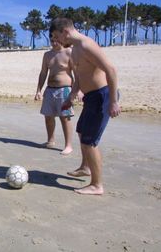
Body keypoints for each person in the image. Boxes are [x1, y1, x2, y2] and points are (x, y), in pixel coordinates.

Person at [51, 18, 121, 195]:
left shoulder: (86, 45)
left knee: (90, 141)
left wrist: (113, 101)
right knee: (82, 131)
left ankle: (97, 185)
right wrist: (71, 97)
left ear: (64, 31)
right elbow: (80, 78)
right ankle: (85, 167)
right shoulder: (74, 50)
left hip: (102, 95)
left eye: (56, 36)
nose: (56, 40)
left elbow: (111, 70)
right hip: (91, 97)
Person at [35, 36, 77, 155]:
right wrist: (38, 90)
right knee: (48, 116)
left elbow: (76, 72)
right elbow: (43, 72)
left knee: (65, 117)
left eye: (56, 40)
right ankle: (50, 140)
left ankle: (68, 145)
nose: (54, 43)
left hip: (65, 89)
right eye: (52, 40)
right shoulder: (47, 55)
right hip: (50, 89)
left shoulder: (69, 52)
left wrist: (77, 90)